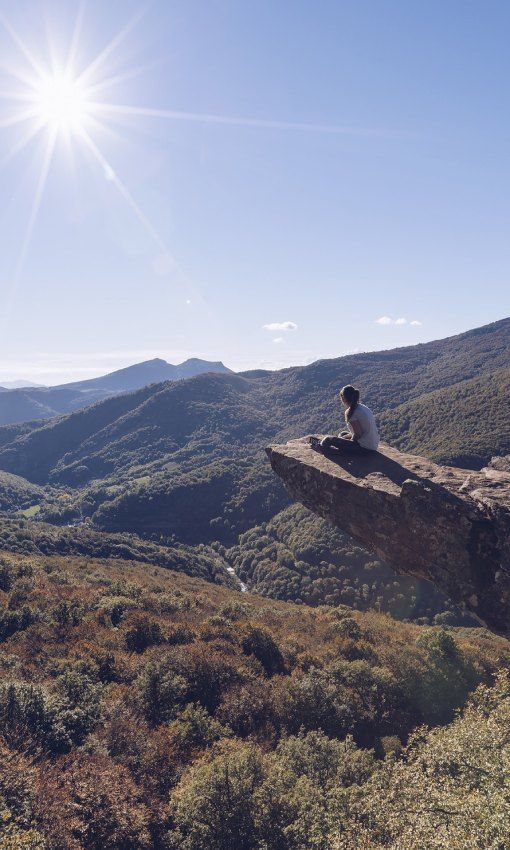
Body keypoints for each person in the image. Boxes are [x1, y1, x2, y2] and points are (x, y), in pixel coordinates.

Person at [313, 385, 379, 454]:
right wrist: (343, 439)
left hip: (364, 448)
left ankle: (321, 447)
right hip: (372, 445)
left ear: (343, 398)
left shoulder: (351, 412)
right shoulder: (362, 407)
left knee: (328, 439)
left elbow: (358, 434)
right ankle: (339, 448)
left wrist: (349, 443)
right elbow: (359, 432)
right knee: (343, 433)